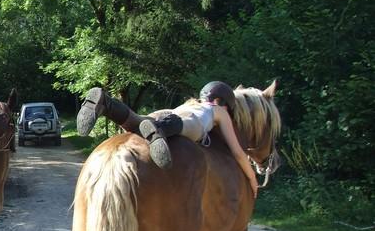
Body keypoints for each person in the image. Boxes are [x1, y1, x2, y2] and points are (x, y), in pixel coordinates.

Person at [76, 81, 258, 196]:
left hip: (167, 114)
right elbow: (237, 151)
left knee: (136, 122)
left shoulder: (191, 103)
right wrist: (251, 178)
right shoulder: (218, 111)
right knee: (183, 126)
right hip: (188, 124)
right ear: (224, 103)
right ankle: (158, 130)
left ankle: (107, 104)